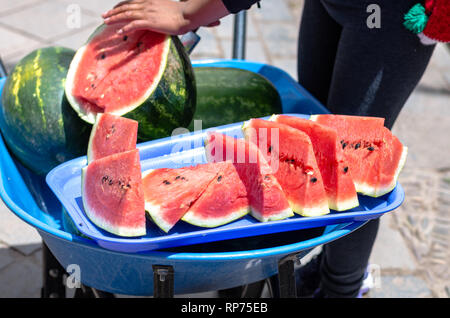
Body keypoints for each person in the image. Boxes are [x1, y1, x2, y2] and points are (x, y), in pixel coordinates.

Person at [102, 0, 448, 297]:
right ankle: (323, 269)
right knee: (308, 150)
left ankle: (344, 286)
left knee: (351, 171)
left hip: (393, 17)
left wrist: (186, 13)